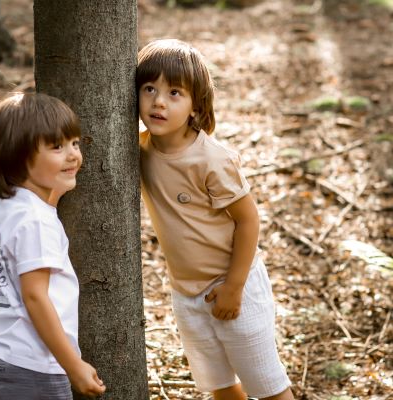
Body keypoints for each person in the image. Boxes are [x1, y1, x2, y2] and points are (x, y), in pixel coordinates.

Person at [137, 39, 295, 400]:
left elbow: (248, 221)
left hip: (234, 285)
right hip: (186, 292)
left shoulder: (210, 159)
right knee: (220, 386)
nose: (159, 101)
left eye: (175, 92)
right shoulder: (138, 147)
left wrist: (234, 288)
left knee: (267, 386)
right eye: (150, 89)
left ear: (196, 106)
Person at [0, 92, 106, 399]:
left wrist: (54, 188)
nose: (73, 154)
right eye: (57, 147)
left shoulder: (8, 204)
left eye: (74, 143)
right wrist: (73, 365)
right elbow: (36, 297)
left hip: (5, 358)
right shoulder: (36, 222)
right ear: (17, 156)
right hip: (35, 368)